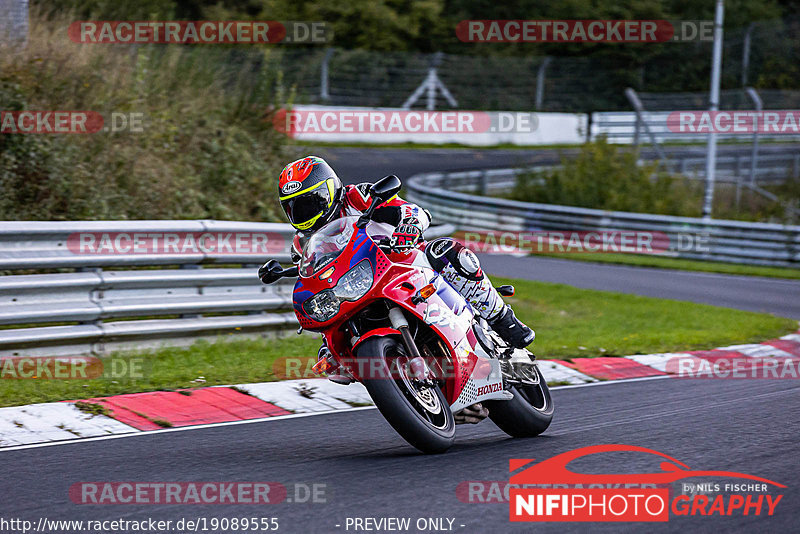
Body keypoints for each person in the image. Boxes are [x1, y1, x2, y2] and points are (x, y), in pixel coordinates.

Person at [259, 155, 535, 349]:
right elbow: (317, 281)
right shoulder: (300, 244)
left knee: (448, 252)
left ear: (329, 191)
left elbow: (413, 211)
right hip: (361, 285)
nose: (304, 213)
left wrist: (409, 226)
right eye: (294, 208)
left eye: (309, 203)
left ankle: (504, 320)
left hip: (403, 261)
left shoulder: (358, 197)